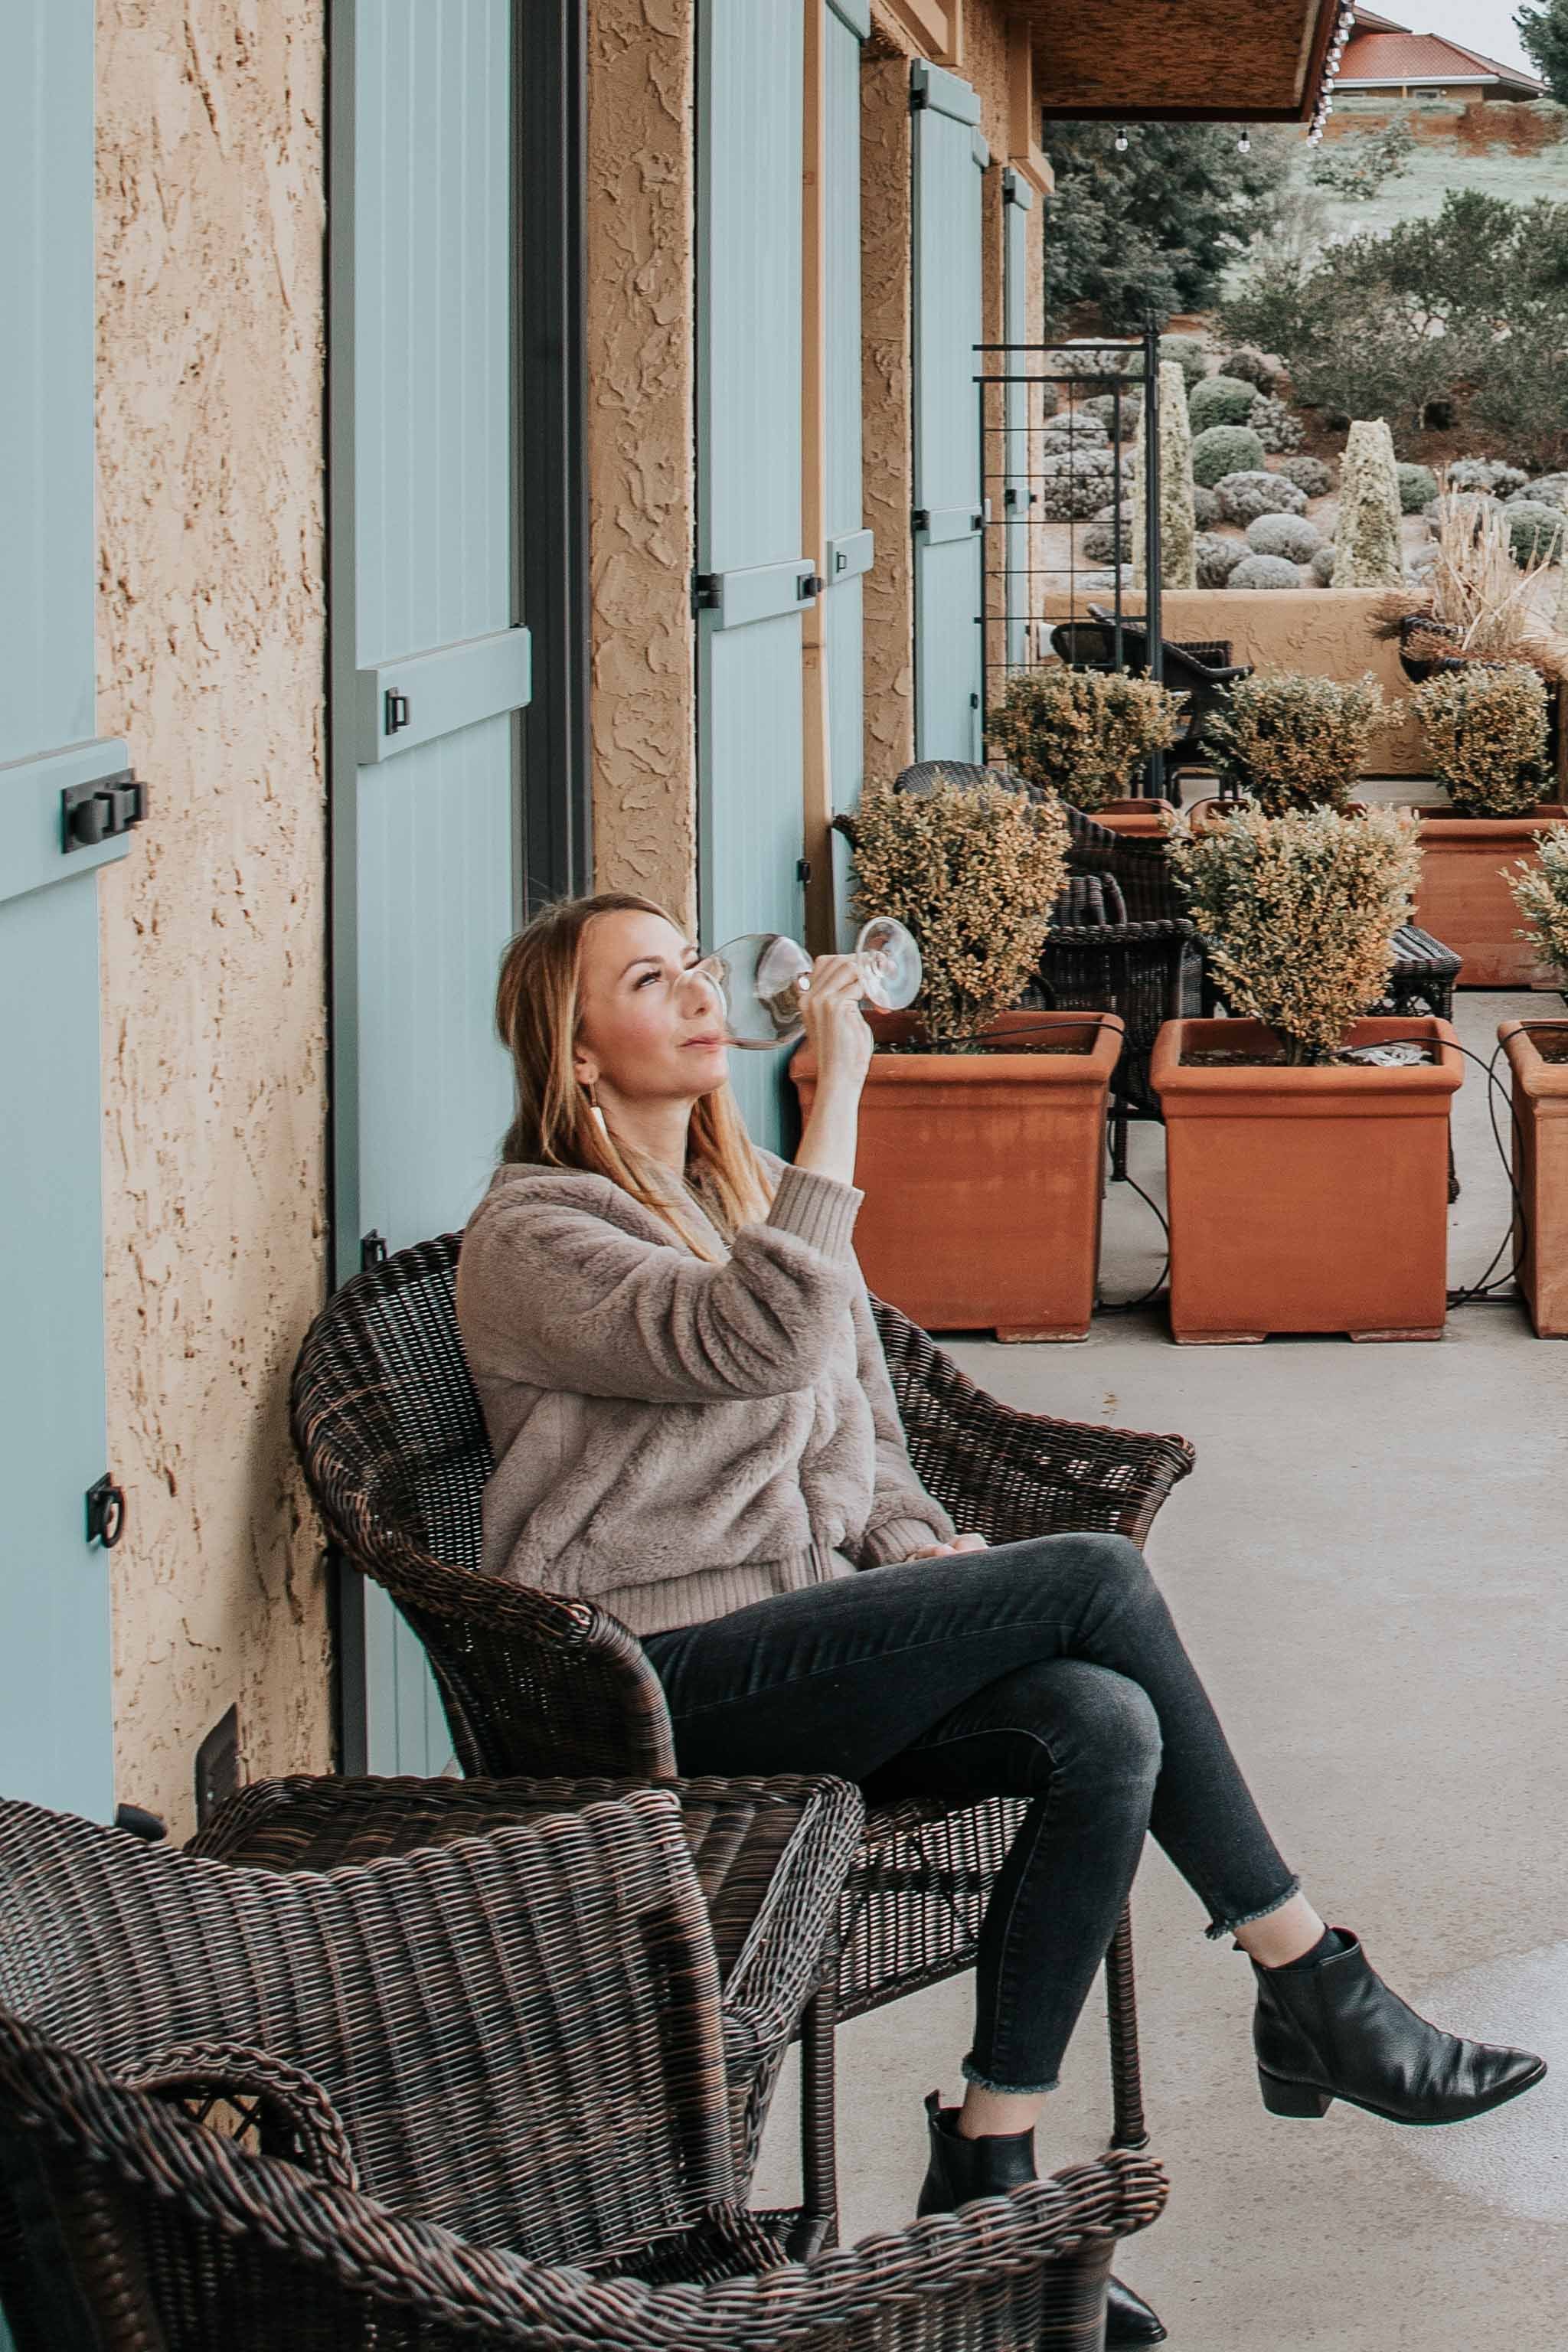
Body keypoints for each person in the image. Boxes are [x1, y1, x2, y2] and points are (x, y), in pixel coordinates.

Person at [457, 892, 1544, 2349]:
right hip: (641, 1682)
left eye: (698, 966)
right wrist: (843, 1088)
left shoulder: (744, 1196)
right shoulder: (534, 1236)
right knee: (1094, 1576)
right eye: (650, 982)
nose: (702, 995)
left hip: (795, 1635)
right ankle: (1313, 1985)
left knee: (1104, 1720)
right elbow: (758, 1338)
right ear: (578, 1055)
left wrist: (922, 1553)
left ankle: (990, 2167)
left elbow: (857, 1439)